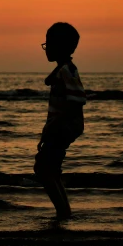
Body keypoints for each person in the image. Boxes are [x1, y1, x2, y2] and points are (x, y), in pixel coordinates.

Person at [34, 22, 86, 219]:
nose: (46, 49)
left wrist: (54, 127)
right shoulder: (64, 69)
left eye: (49, 44)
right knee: (50, 169)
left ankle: (63, 212)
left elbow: (77, 100)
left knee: (43, 169)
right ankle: (64, 211)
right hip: (63, 126)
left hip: (63, 126)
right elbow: (49, 80)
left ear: (60, 47)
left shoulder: (67, 71)